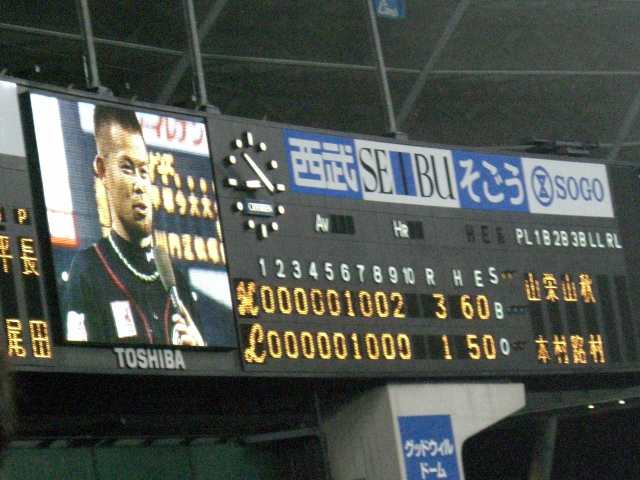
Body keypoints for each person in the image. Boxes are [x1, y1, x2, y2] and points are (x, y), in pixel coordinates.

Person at [61, 106, 204, 346]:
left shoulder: (175, 279)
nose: (139, 185)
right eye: (127, 168)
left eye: (144, 171)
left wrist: (199, 352)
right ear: (103, 171)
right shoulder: (88, 269)